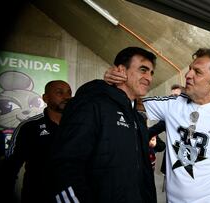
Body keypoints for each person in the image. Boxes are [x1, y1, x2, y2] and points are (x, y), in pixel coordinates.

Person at [104, 48, 210, 202]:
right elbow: (135, 101)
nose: (188, 75)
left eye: (197, 72)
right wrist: (117, 81)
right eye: (190, 69)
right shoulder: (173, 104)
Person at [50, 47, 157, 203]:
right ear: (121, 70)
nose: (149, 78)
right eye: (143, 69)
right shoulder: (92, 105)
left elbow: (144, 174)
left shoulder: (138, 119)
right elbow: (63, 169)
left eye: (151, 72)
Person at [3, 80, 72, 203]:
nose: (66, 97)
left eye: (69, 92)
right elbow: (10, 167)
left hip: (73, 198)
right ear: (45, 98)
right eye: (59, 93)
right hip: (37, 196)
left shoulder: (79, 125)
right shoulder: (28, 127)